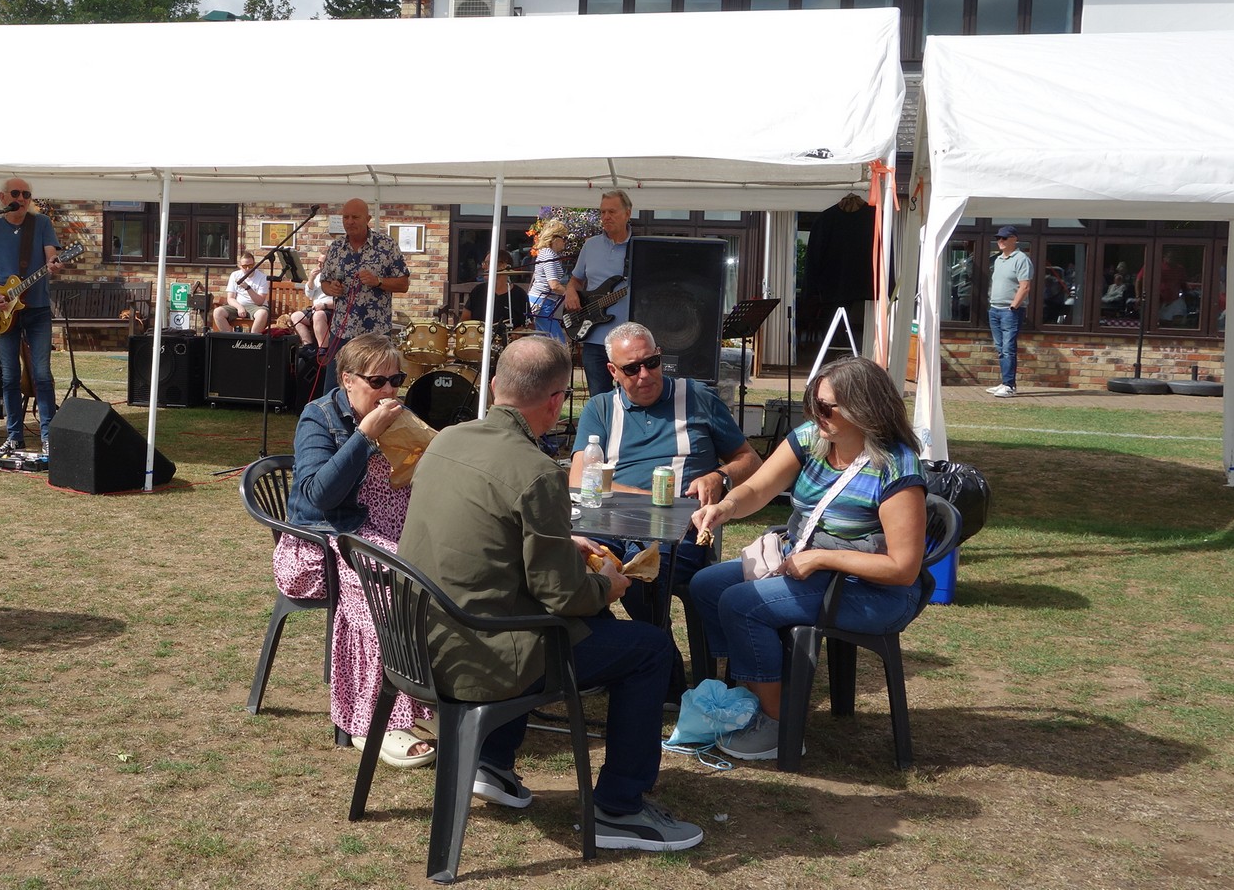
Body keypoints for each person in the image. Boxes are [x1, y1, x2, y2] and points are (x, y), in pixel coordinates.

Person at [398, 335, 705, 852]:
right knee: (649, 649)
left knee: (584, 628)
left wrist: (564, 542)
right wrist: (609, 584)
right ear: (557, 400)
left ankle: (493, 761)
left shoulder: (447, 439)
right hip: (483, 658)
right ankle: (619, 809)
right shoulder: (538, 471)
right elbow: (563, 595)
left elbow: (486, 538)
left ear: (494, 386)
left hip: (417, 643)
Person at [687, 357, 928, 761]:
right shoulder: (812, 438)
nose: (816, 414)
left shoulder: (896, 466)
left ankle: (780, 725)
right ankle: (751, 691)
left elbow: (902, 570)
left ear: (864, 408)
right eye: (812, 403)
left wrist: (822, 559)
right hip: (809, 563)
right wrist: (725, 507)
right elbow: (759, 489)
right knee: (706, 586)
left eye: (826, 407)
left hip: (874, 590)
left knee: (743, 604)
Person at [280, 334, 434, 767]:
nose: (389, 391)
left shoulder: (399, 415)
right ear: (347, 380)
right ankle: (373, 721)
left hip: (388, 530)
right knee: (388, 592)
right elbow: (319, 495)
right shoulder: (319, 417)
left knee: (445, 575)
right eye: (377, 381)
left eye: (396, 380)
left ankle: (424, 703)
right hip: (327, 537)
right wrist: (365, 436)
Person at [567, 322, 762, 630]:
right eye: (632, 369)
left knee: (643, 571)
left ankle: (654, 649)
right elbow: (579, 481)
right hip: (609, 527)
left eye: (652, 362)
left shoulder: (698, 397)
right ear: (612, 371)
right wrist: (658, 501)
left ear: (660, 356)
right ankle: (622, 644)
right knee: (570, 565)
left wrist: (720, 476)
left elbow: (750, 459)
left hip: (678, 532)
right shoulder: (601, 408)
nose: (645, 375)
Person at [0, 177, 63, 449]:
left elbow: (51, 255)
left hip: (37, 309)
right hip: (2, 311)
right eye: (16, 193)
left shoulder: (41, 223)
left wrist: (53, 263)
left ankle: (48, 436)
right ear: (2, 198)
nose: (21, 198)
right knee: (10, 376)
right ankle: (14, 436)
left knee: (42, 374)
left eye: (26, 194)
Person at [318, 198, 410, 393]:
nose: (349, 221)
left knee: (375, 387)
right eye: (345, 217)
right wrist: (330, 288)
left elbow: (404, 284)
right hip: (342, 330)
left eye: (355, 217)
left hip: (375, 333)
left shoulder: (386, 245)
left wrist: (378, 281)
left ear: (368, 219)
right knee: (335, 388)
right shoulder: (335, 248)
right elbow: (324, 281)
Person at [564, 191, 634, 398]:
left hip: (627, 340)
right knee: (599, 399)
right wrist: (570, 291)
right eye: (602, 212)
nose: (606, 217)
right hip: (593, 338)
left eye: (612, 211)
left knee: (630, 397)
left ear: (627, 213)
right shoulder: (591, 245)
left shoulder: (639, 247)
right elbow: (576, 280)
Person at [985, 225, 1031, 398]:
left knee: (1008, 348)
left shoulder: (1021, 259)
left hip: (1009, 311)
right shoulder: (998, 259)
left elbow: (1025, 286)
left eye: (1004, 238)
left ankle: (1009, 386)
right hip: (995, 309)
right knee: (1000, 348)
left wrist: (1013, 306)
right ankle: (1006, 382)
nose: (1000, 241)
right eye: (998, 238)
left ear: (1014, 239)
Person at [458, 252, 532, 331]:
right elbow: (464, 321)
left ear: (504, 266)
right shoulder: (478, 291)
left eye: (488, 263)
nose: (483, 266)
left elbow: (530, 325)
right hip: (480, 337)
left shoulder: (519, 294)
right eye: (484, 263)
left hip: (509, 338)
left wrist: (520, 330)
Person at [528, 220, 570, 344]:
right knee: (558, 341)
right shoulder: (548, 255)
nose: (565, 241)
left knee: (542, 340)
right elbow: (554, 285)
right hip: (543, 303)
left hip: (543, 302)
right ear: (554, 239)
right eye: (564, 238)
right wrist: (570, 294)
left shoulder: (549, 254)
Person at [212, 252, 273, 333]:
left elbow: (260, 302)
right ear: (240, 266)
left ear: (254, 265)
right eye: (244, 266)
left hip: (256, 307)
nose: (248, 269)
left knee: (262, 313)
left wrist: (247, 288)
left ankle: (253, 338)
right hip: (238, 305)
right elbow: (230, 298)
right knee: (217, 312)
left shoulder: (262, 277)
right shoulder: (235, 275)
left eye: (250, 266)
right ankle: (229, 337)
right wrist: (239, 307)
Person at [287, 253, 336, 352]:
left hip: (330, 309)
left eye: (322, 263)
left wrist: (324, 305)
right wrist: (311, 279)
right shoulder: (318, 276)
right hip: (316, 308)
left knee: (318, 315)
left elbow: (341, 301)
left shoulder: (337, 277)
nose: (319, 266)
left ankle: (323, 349)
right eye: (318, 262)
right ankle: (308, 346)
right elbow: (309, 295)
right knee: (296, 317)